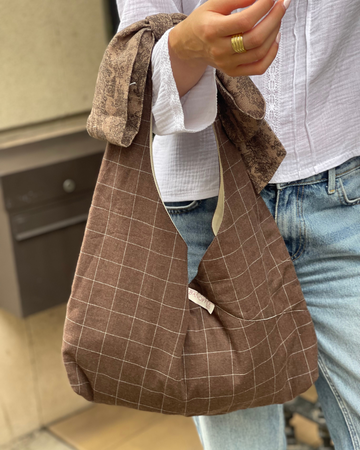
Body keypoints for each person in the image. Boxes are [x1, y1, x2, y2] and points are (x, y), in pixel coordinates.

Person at [116, 0, 360, 448]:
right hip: (202, 209)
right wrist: (189, 46)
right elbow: (134, 73)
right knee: (241, 442)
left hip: (341, 185)